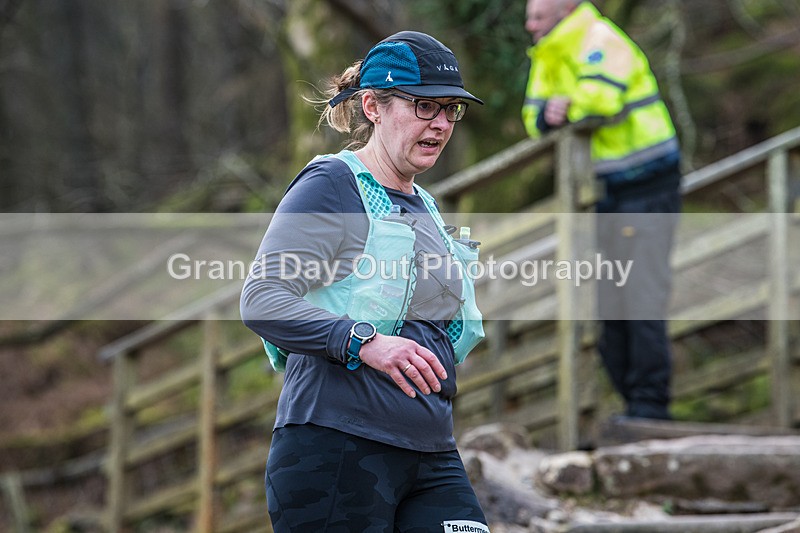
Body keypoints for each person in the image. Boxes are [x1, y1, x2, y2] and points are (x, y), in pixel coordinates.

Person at [241, 31, 490, 532]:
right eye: (424, 106)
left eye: (450, 110)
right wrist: (365, 341)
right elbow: (262, 298)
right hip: (334, 450)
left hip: (432, 455)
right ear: (373, 106)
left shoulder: (428, 206)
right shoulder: (333, 185)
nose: (441, 124)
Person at [521, 0, 682, 420]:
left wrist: (564, 107)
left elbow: (600, 100)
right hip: (604, 191)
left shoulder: (601, 38)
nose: (528, 24)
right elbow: (532, 116)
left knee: (641, 293)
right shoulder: (548, 52)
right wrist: (553, 111)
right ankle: (635, 403)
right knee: (607, 298)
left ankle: (650, 406)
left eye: (537, 15)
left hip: (646, 182)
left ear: (564, 11)